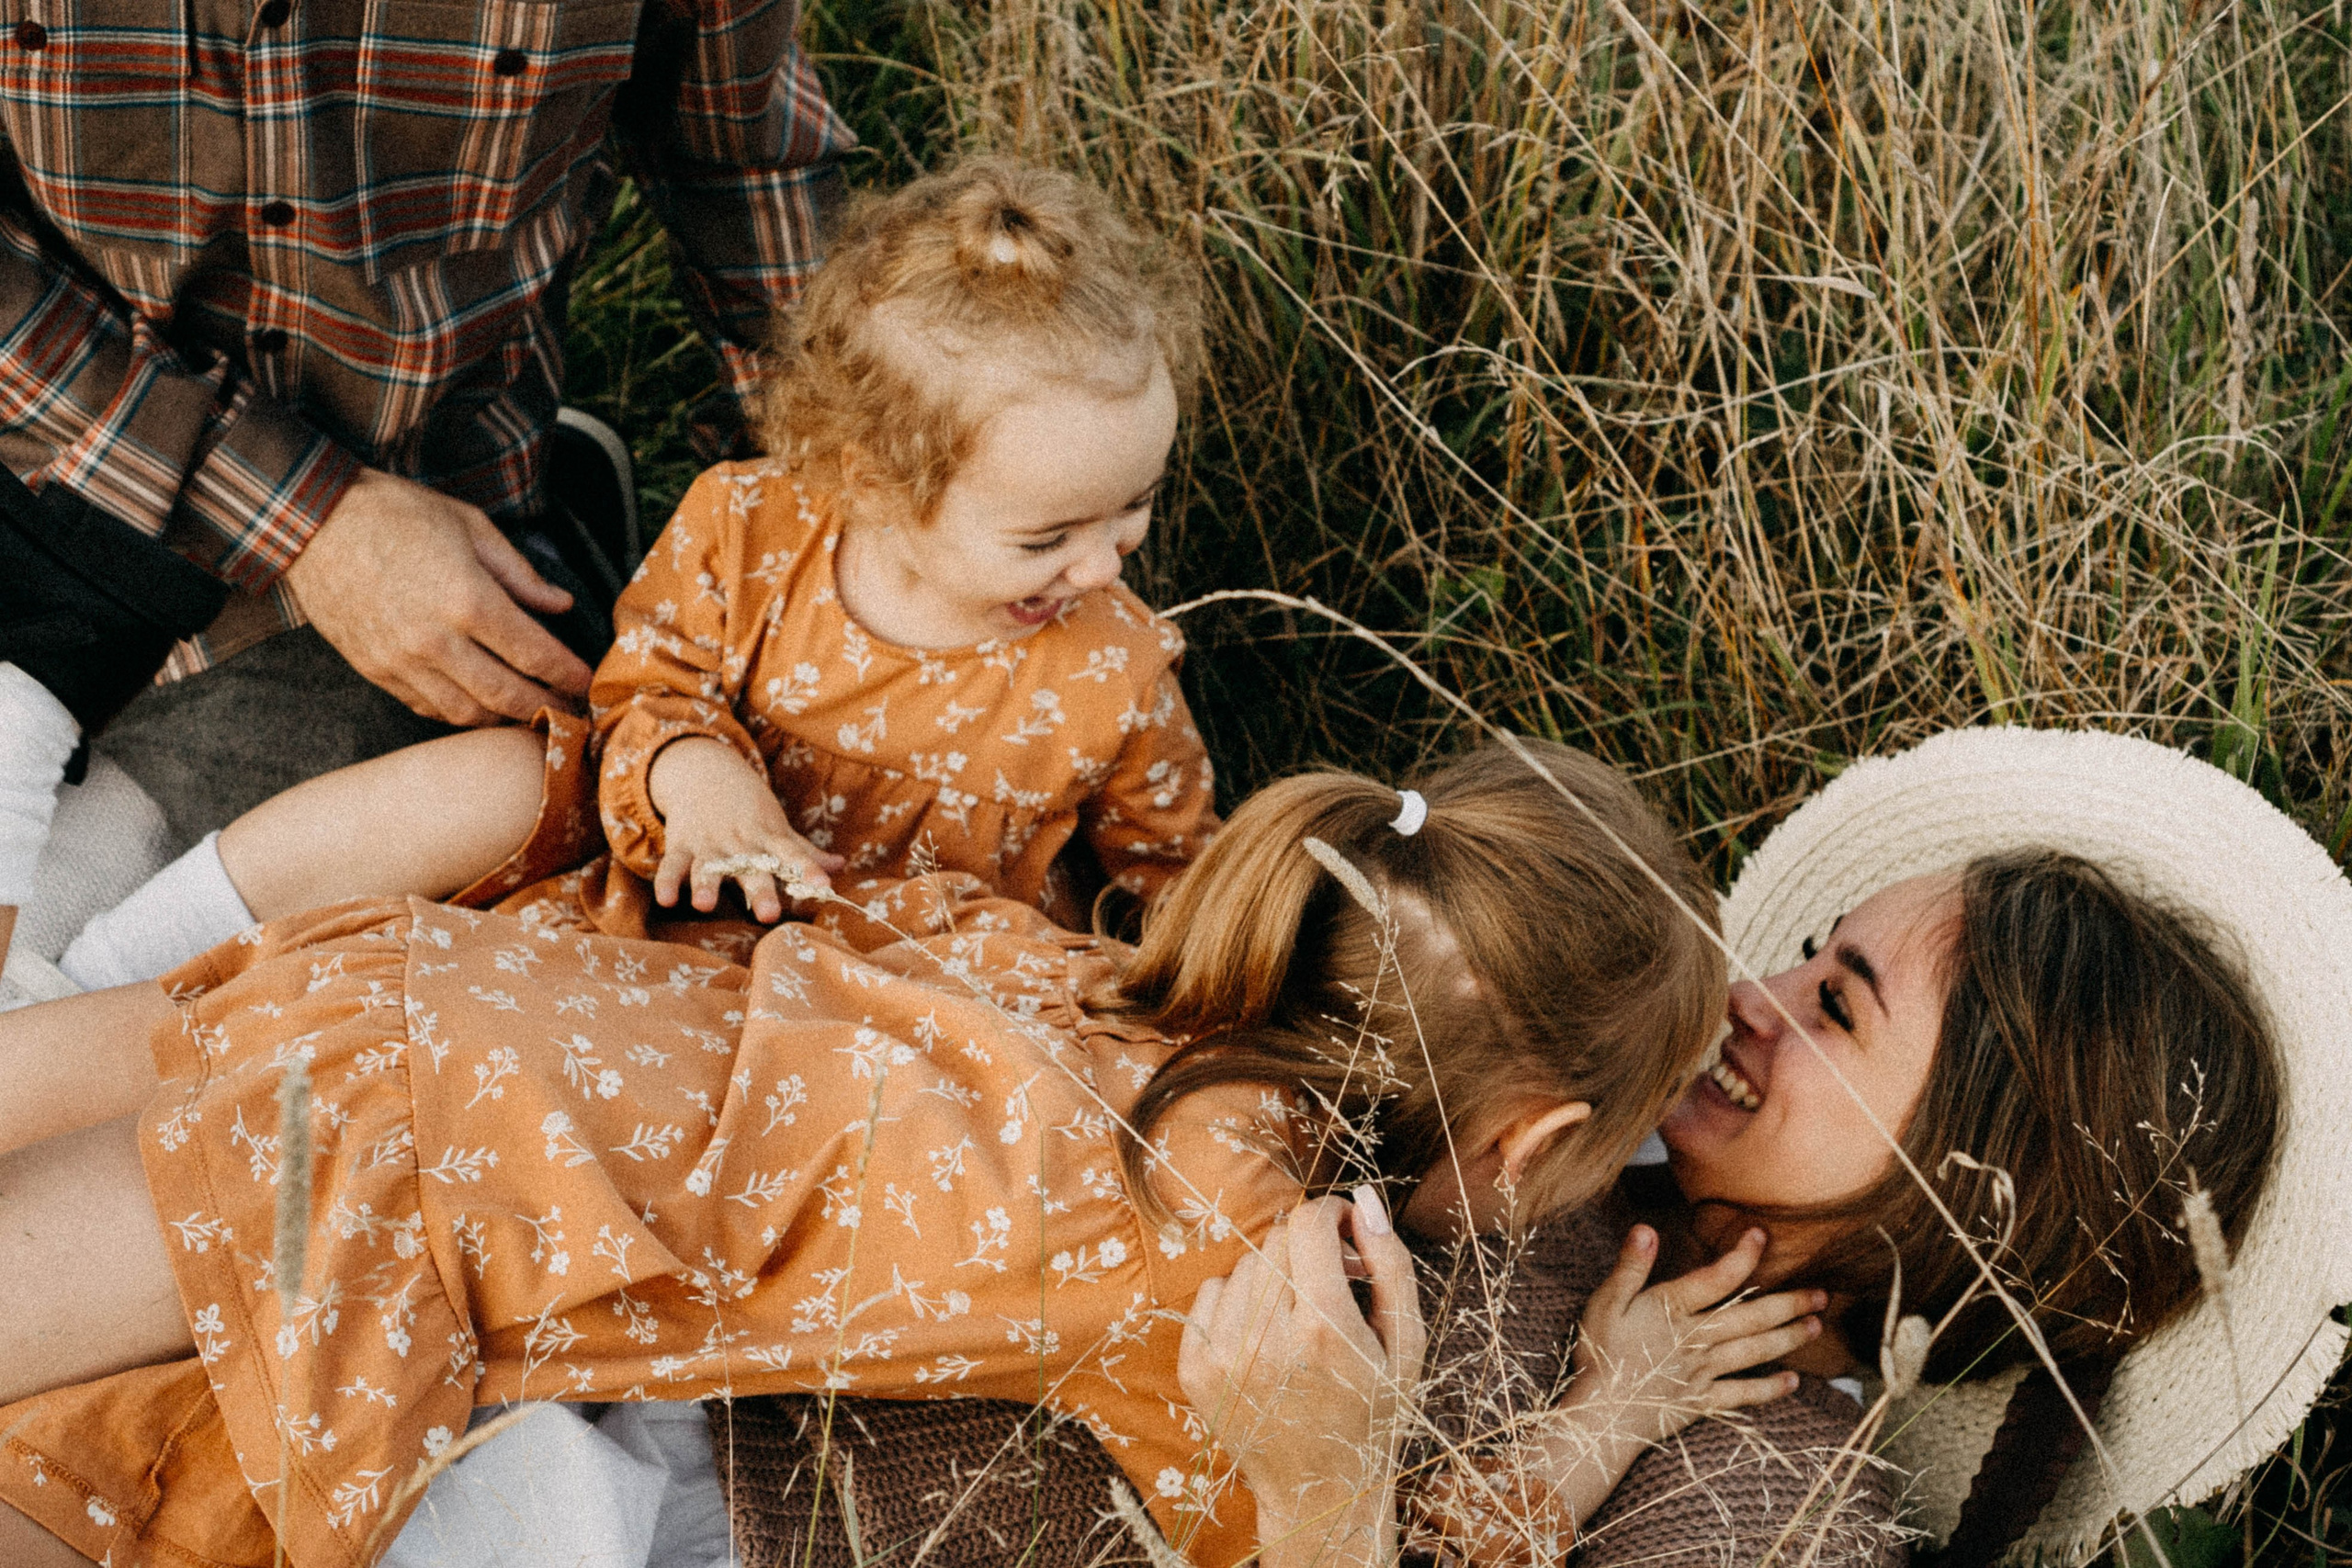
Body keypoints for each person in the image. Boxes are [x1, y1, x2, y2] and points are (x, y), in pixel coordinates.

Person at [0, 739, 1775, 1568]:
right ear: (1537, 1136)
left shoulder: (1098, 970)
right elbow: (1333, 1533)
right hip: (432, 1186)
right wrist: (1602, 1414)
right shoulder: (1243, 1246)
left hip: (442, 976)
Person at [719, 727, 2340, 1568]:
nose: (1748, 995)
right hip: (752, 1324)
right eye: (1811, 950)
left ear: (1985, 1179)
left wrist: (1325, 1497)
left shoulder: (1776, 1525)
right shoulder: (1600, 1120)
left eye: (1837, 1003)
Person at [51, 157, 1223, 991]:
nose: (1107, 558)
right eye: (1047, 536)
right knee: (435, 976)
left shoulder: (1111, 669)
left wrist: (1186, 969)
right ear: (867, 481)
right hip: (672, 927)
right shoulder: (755, 532)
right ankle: (125, 972)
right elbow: (649, 684)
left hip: (914, 998)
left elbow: (1172, 872)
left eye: (1136, 506)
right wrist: (699, 777)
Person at [0, 0, 852, 855]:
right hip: (34, 488)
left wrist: (846, 516)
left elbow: (746, 168)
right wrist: (310, 519)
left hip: (431, 551)